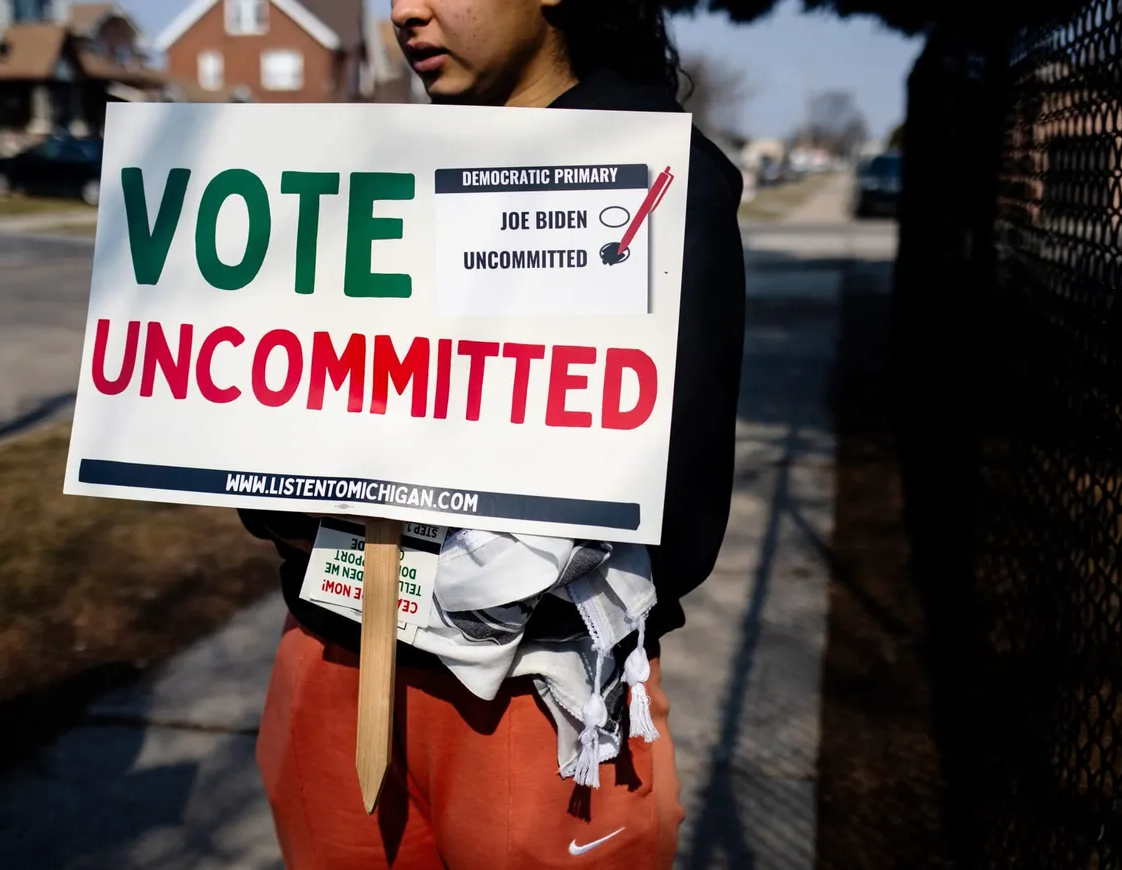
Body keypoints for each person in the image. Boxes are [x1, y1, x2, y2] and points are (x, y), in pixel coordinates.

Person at [237, 0, 746, 866]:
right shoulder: (373, 176)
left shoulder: (654, 182)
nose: (405, 11)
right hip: (329, 655)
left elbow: (674, 508)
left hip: (535, 695)